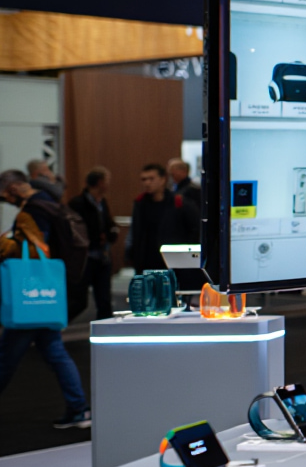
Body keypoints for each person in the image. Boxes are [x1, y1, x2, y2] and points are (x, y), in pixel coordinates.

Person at [0, 170, 91, 429]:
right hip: (47, 295)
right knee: (55, 352)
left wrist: (4, 245)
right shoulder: (51, 203)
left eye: (5, 196)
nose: (6, 201)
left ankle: (79, 408)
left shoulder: (31, 211)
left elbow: (37, 248)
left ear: (13, 189)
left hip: (28, 297)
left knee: (6, 357)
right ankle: (79, 409)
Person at [128, 163, 197, 274]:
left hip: (173, 261)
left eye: (151, 179)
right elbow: (135, 232)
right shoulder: (140, 203)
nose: (147, 183)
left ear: (162, 179)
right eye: (144, 179)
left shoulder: (178, 203)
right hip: (147, 261)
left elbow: (195, 229)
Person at [69, 167, 118, 320]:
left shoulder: (102, 202)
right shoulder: (77, 203)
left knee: (104, 299)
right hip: (86, 258)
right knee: (78, 299)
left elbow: (108, 224)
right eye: (107, 181)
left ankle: (106, 328)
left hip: (102, 257)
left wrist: (111, 234)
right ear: (100, 182)